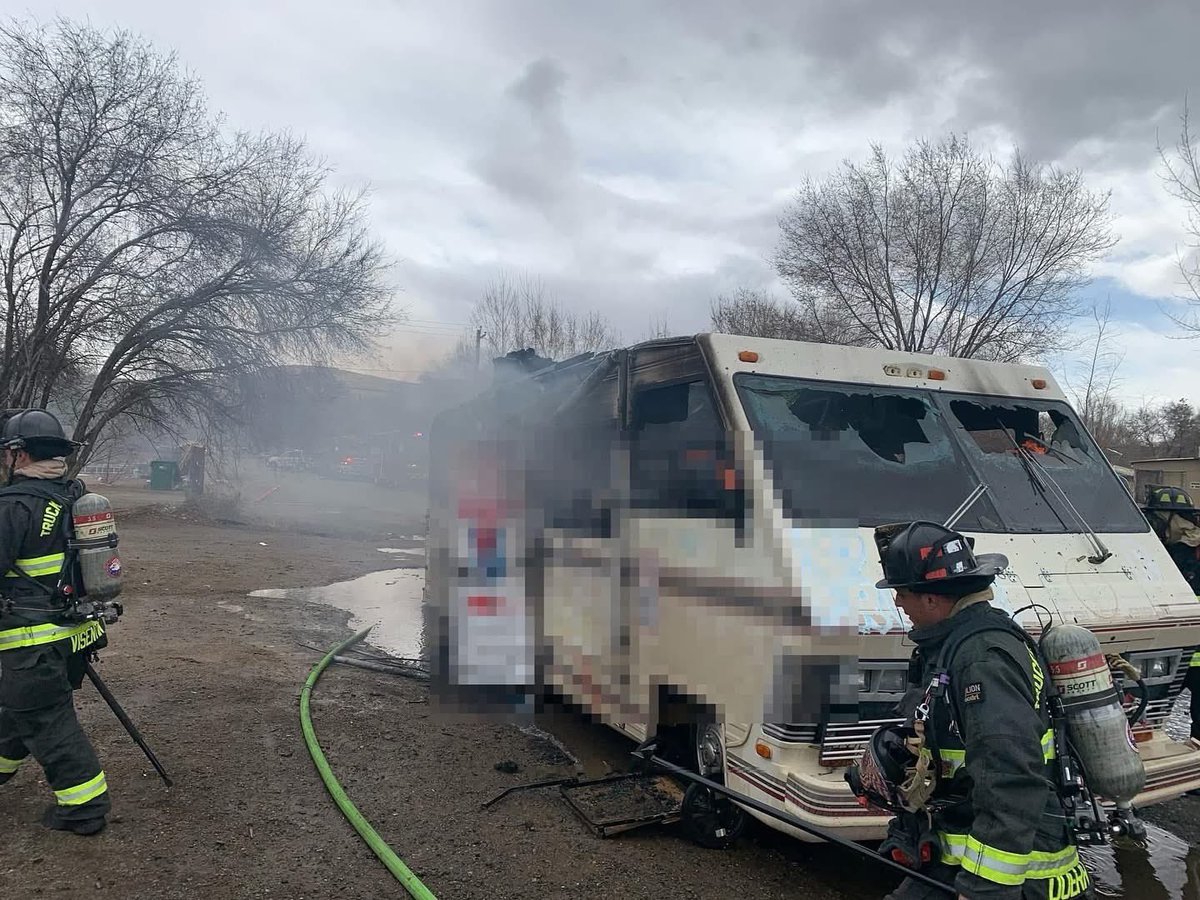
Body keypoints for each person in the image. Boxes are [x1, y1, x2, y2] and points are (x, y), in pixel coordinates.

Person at [870, 521, 1090, 900]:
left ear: (931, 598)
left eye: (902, 593)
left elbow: (1012, 776)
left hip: (1016, 875)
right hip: (959, 847)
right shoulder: (955, 645)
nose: (897, 603)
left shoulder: (981, 661)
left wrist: (984, 889)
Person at [0, 409, 110, 835]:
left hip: (31, 639)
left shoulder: (13, 508)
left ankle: (84, 809)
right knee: (20, 707)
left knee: (45, 719)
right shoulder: (72, 495)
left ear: (18, 454)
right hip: (76, 635)